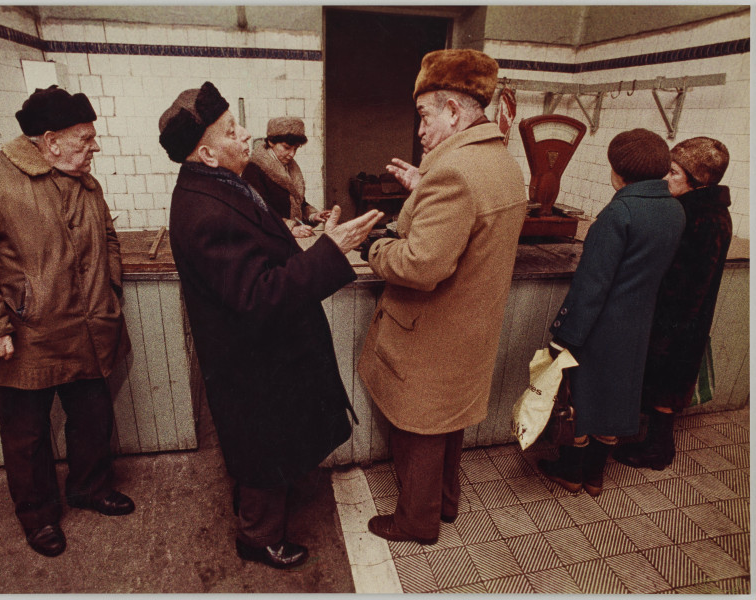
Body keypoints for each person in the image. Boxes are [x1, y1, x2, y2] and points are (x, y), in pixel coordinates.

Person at [158, 82, 382, 569]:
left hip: (259, 354)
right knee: (261, 445)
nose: (245, 137)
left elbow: (258, 248)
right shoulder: (204, 211)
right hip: (250, 361)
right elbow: (258, 297)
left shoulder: (221, 185)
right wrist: (332, 250)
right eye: (231, 131)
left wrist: (312, 235)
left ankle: (262, 512)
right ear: (207, 154)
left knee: (269, 441)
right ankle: (257, 538)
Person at [0, 85, 134, 558]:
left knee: (92, 416)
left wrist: (109, 293)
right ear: (50, 141)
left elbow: (107, 239)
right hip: (26, 336)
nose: (95, 147)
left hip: (88, 329)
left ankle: (89, 487)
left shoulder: (87, 183)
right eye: (86, 138)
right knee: (25, 434)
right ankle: (38, 515)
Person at [356, 49, 528, 545]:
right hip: (470, 328)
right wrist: (423, 184)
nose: (421, 130)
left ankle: (416, 522)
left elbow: (420, 265)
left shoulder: (455, 173)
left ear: (454, 112)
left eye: (426, 116)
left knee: (420, 429)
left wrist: (375, 246)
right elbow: (467, 225)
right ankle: (445, 504)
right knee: (448, 422)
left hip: (430, 330)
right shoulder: (499, 163)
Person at [540, 129, 686, 497]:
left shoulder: (619, 212)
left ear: (618, 172)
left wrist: (565, 336)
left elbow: (592, 285)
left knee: (581, 400)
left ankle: (571, 472)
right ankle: (595, 477)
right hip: (639, 323)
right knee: (615, 400)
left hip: (600, 326)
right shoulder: (674, 209)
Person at [613, 137, 733, 471]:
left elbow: (686, 282)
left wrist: (664, 326)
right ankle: (656, 445)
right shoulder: (705, 211)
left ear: (699, 181)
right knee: (664, 386)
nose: (666, 178)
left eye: (674, 172)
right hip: (681, 319)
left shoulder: (702, 218)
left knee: (665, 387)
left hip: (678, 321)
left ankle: (658, 451)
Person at [242, 116, 331, 238]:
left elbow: (298, 203)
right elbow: (258, 212)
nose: (292, 154)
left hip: (285, 239)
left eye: (295, 148)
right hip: (267, 240)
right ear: (271, 142)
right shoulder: (253, 169)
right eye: (287, 148)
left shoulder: (290, 167)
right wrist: (290, 228)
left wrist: (313, 216)